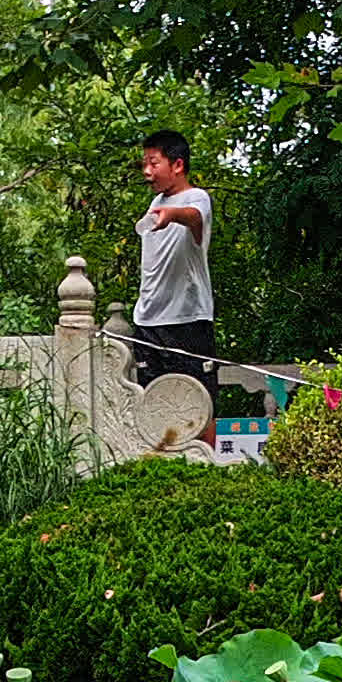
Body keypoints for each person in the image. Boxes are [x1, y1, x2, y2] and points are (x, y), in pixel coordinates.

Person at [132, 129, 217, 445]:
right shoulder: (155, 201)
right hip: (148, 322)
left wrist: (173, 216)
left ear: (177, 165)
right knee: (154, 401)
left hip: (187, 320)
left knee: (200, 401)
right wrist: (161, 211)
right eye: (145, 163)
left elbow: (194, 218)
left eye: (153, 163)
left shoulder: (197, 198)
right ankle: (167, 470)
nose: (147, 171)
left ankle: (206, 471)